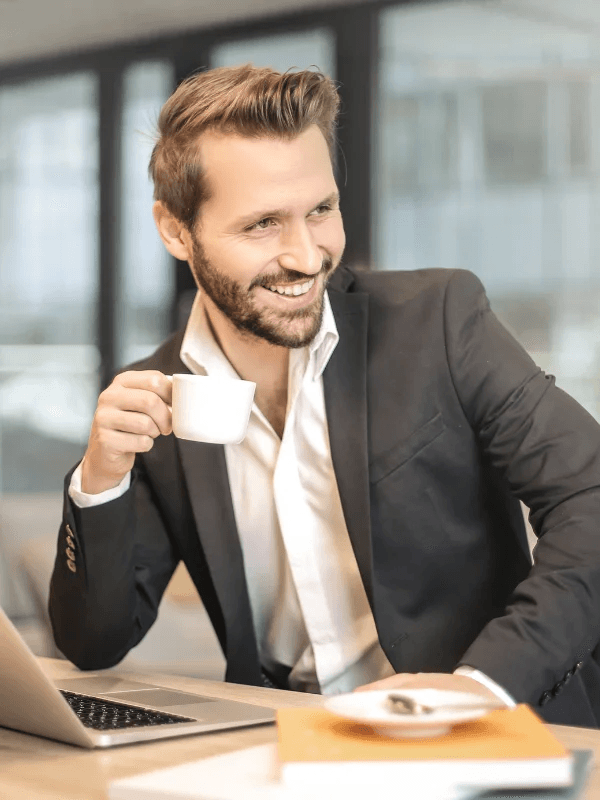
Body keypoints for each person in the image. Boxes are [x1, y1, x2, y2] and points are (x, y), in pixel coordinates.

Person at [49, 64, 600, 727]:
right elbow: (94, 642)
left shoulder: (439, 320)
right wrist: (100, 481)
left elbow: (590, 495)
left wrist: (483, 685)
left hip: (481, 730)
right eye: (263, 224)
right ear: (175, 231)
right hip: (283, 739)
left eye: (320, 210)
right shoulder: (158, 396)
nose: (307, 256)